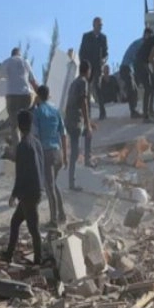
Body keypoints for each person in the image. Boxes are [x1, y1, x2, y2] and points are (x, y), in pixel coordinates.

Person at [3, 109, 44, 265]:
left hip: (28, 193)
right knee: (15, 222)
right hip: (36, 189)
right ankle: (8, 254)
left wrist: (14, 195)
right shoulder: (37, 142)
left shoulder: (22, 146)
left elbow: (20, 174)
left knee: (34, 229)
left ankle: (38, 261)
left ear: (19, 126)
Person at [33, 85, 68, 227]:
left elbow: (35, 135)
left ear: (38, 96)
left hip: (45, 153)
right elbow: (63, 134)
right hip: (57, 152)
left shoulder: (37, 112)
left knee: (49, 187)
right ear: (48, 95)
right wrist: (65, 155)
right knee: (54, 184)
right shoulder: (56, 111)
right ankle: (62, 214)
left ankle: (54, 220)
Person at [0, 48, 38, 153]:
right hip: (26, 97)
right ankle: (29, 142)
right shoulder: (25, 62)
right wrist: (41, 96)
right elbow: (33, 81)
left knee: (14, 126)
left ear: (12, 54)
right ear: (20, 54)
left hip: (12, 97)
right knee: (27, 121)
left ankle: (18, 150)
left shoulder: (7, 62)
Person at [64, 60, 96, 191]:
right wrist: (87, 123)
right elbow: (83, 102)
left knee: (88, 135)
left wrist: (88, 123)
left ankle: (87, 160)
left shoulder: (74, 83)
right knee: (75, 151)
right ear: (88, 70)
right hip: (76, 120)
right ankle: (72, 182)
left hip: (69, 118)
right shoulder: (83, 82)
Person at [79, 17, 109, 120]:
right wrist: (84, 65)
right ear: (94, 25)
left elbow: (106, 53)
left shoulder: (103, 38)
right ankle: (87, 113)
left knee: (98, 87)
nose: (100, 27)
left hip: (97, 67)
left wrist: (103, 61)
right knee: (86, 89)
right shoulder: (86, 36)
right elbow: (82, 52)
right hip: (87, 66)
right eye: (98, 25)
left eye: (101, 25)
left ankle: (102, 112)